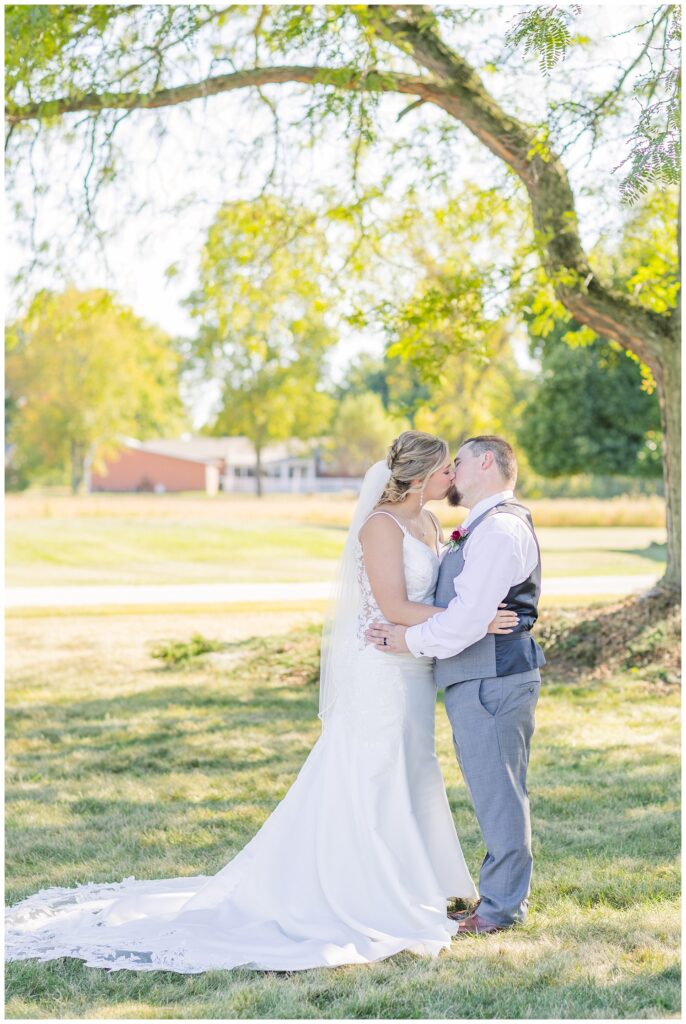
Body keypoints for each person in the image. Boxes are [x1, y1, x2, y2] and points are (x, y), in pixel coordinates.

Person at [5, 432, 516, 973]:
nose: (452, 479)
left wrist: (460, 618)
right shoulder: (380, 525)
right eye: (445, 471)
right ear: (420, 476)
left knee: (415, 766)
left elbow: (428, 601)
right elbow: (392, 603)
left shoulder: (432, 524)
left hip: (414, 666)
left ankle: (420, 879)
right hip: (381, 671)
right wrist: (470, 623)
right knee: (374, 768)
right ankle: (367, 888)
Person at [366, 435, 545, 935]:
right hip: (480, 676)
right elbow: (470, 615)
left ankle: (499, 909)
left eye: (459, 462)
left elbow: (469, 620)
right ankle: (497, 899)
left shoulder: (499, 530)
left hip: (493, 677)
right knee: (493, 789)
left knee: (499, 792)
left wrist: (408, 639)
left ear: (485, 462)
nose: (452, 472)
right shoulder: (483, 526)